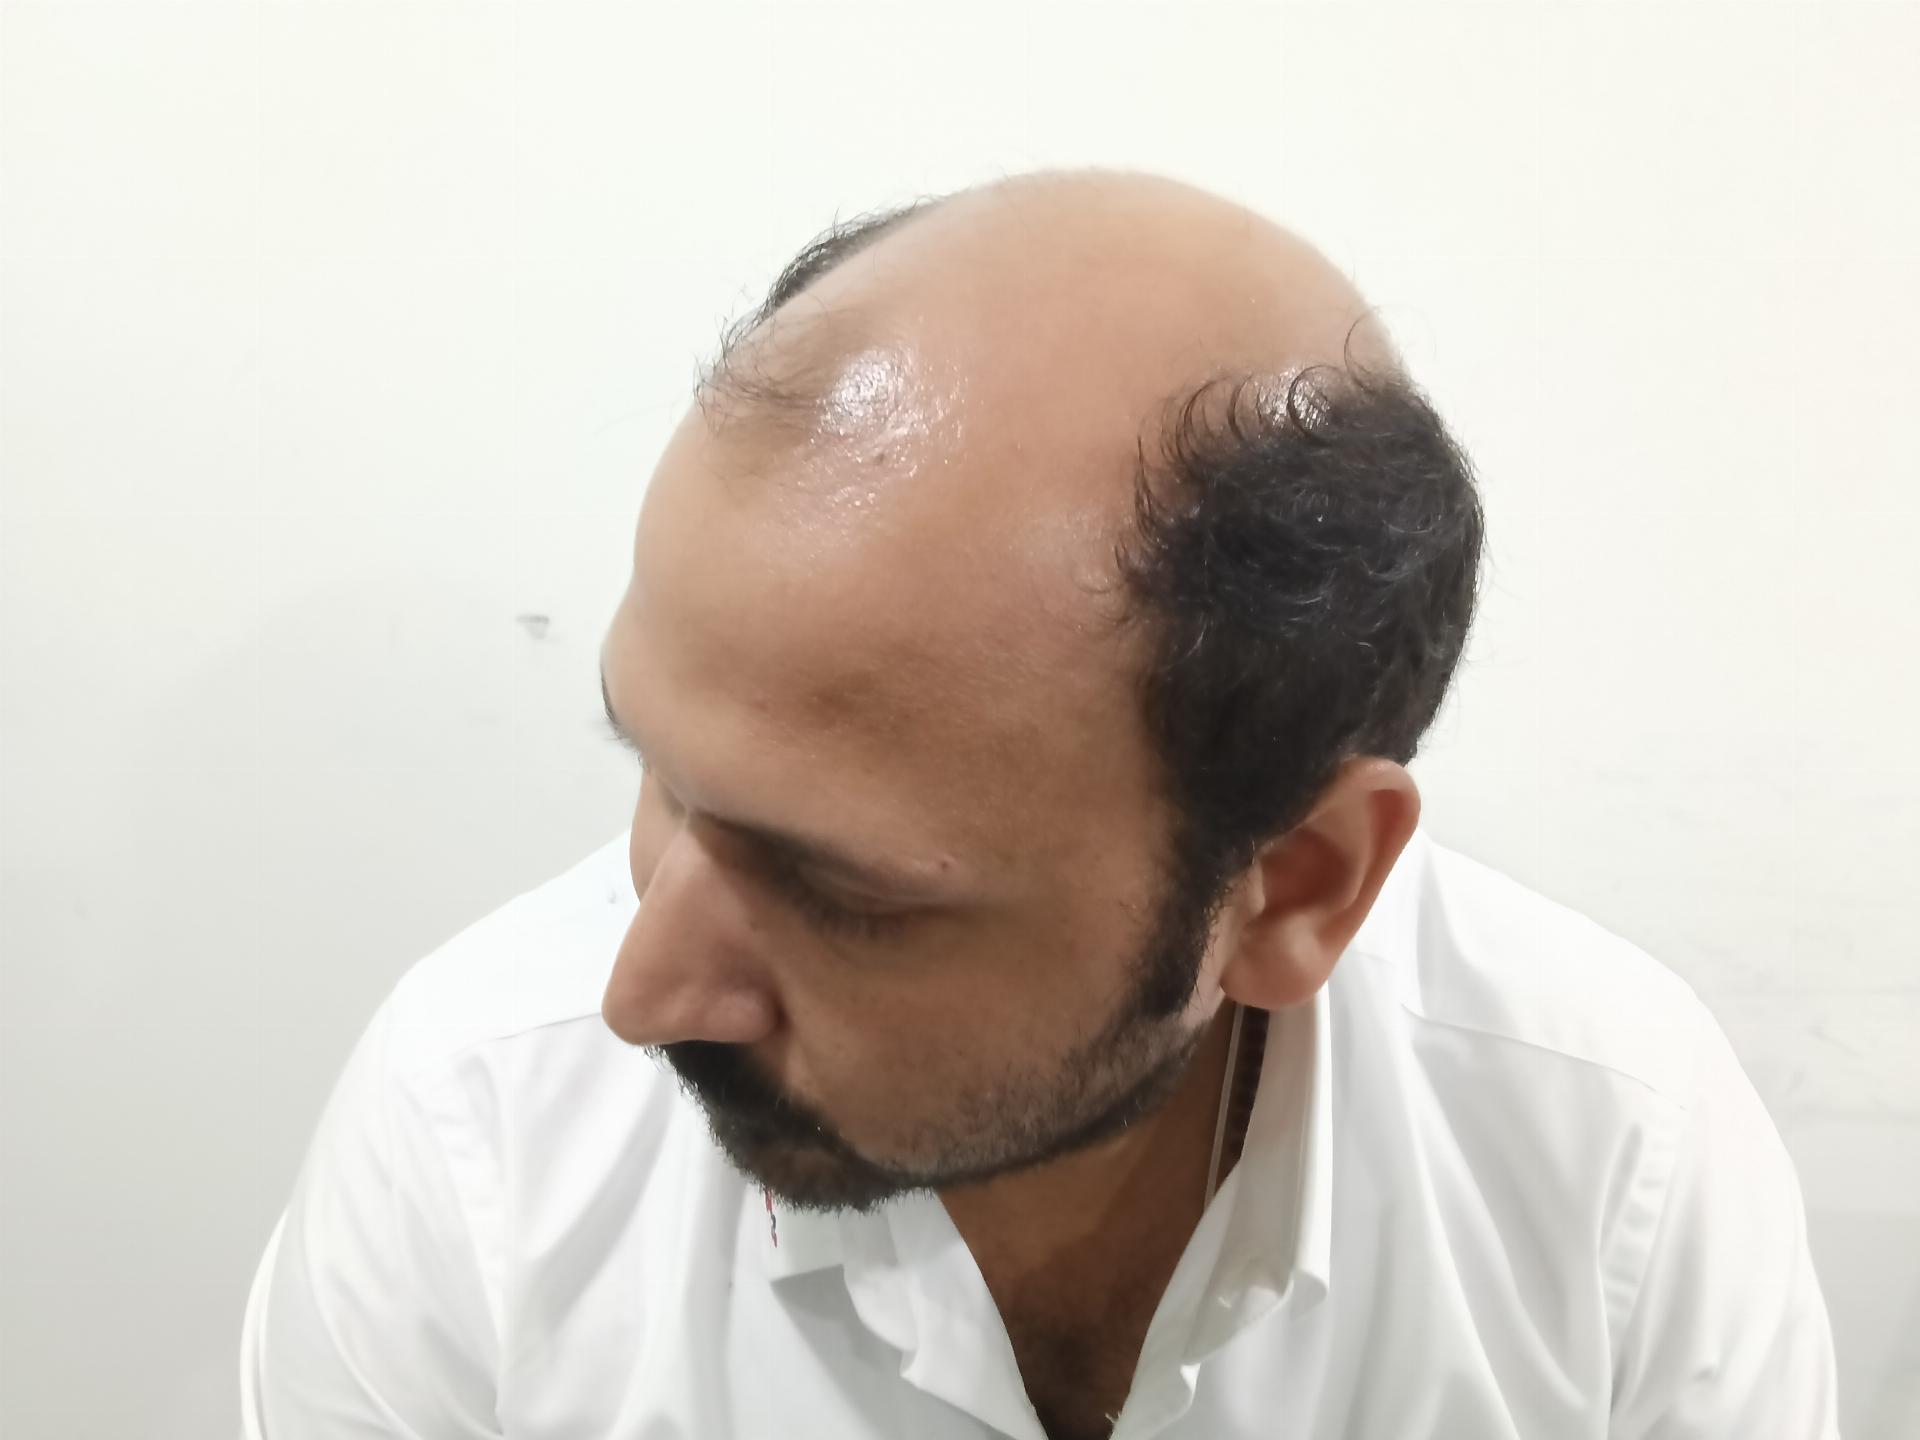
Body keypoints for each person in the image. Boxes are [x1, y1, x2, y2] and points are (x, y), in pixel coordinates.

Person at [239, 169, 1839, 1440]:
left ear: (1296, 884)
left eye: (850, 894)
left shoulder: (1609, 1167)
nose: (643, 992)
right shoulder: (479, 1142)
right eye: (661, 773)